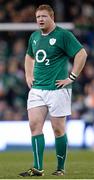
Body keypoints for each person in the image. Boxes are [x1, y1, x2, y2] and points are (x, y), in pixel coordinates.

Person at [19, 4, 87, 177]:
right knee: (34, 126)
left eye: (43, 16)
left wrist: (71, 77)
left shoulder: (63, 35)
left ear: (52, 17)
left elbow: (81, 54)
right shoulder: (34, 37)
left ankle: (60, 167)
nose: (40, 20)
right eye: (38, 17)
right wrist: (28, 75)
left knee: (58, 129)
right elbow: (29, 56)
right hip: (37, 89)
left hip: (58, 89)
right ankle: (37, 168)